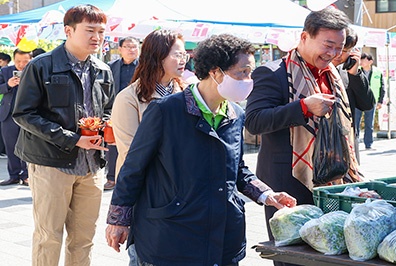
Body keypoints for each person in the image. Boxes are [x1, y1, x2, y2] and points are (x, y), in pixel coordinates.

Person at [105, 33, 296, 266]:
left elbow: (238, 170)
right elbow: (133, 167)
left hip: (221, 231)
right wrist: (118, 220)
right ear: (216, 72)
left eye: (250, 72)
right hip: (171, 233)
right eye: (242, 72)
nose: (248, 79)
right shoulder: (166, 111)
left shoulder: (235, 114)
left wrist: (267, 195)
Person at [245, 8, 363, 263]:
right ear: (304, 37)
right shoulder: (273, 73)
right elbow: (254, 122)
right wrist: (302, 108)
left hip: (333, 182)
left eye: (338, 48)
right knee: (293, 258)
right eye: (327, 45)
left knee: (331, 255)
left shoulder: (336, 75)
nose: (332, 54)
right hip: (289, 183)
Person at [12, 4, 114, 266]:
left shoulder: (102, 70)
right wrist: (72, 138)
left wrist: (105, 127)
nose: (97, 37)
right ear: (68, 30)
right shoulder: (41, 66)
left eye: (101, 31)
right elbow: (24, 114)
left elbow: (108, 109)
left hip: (92, 166)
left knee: (84, 238)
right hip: (50, 165)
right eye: (90, 30)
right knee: (49, 236)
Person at [111, 30, 185, 192]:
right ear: (158, 56)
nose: (183, 60)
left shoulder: (186, 94)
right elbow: (131, 152)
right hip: (144, 186)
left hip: (180, 183)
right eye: (178, 55)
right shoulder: (128, 98)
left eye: (184, 55)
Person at [330, 27, 374, 162]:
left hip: (347, 140)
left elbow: (367, 104)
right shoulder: (313, 71)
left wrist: (355, 74)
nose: (338, 55)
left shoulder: (349, 72)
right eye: (334, 48)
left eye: (344, 51)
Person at [104, 36, 140, 190]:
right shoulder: (111, 67)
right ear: (120, 49)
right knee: (113, 144)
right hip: (116, 110)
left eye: (135, 46)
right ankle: (111, 177)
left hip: (137, 109)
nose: (132, 49)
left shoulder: (144, 66)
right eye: (128, 46)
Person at [0, 49, 31, 185]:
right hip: (8, 114)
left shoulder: (35, 71)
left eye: (25, 61)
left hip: (29, 114)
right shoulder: (5, 71)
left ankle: (26, 175)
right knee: (10, 146)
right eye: (18, 61)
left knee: (27, 146)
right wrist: (8, 85)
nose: (21, 64)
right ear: (13, 59)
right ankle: (13, 175)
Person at [356, 52, 385, 150]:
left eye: (363, 60)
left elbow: (382, 87)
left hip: (371, 100)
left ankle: (368, 144)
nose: (361, 62)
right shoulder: (356, 70)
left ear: (370, 61)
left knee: (369, 124)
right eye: (361, 60)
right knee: (356, 123)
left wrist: (380, 101)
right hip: (357, 100)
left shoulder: (378, 72)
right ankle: (355, 143)